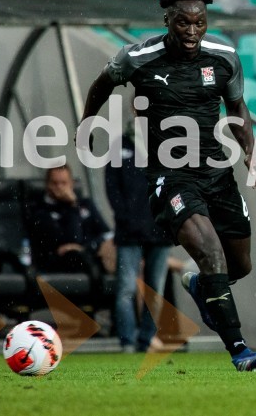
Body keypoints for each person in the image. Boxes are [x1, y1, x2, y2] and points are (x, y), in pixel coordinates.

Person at [77, 0, 256, 371]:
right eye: (183, 23)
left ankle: (200, 286)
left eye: (199, 23)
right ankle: (239, 350)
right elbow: (102, 84)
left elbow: (236, 106)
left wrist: (252, 152)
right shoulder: (138, 57)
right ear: (168, 19)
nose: (192, 31)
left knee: (240, 265)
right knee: (211, 253)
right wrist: (87, 123)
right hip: (171, 177)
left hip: (217, 173)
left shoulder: (225, 57)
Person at [106, 132, 173, 354]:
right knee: (126, 288)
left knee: (155, 290)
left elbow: (176, 182)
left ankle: (146, 340)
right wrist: (125, 217)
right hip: (129, 232)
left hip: (160, 229)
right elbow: (112, 186)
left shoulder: (167, 142)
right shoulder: (121, 145)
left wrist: (168, 216)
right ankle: (127, 341)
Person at [27, 165, 114, 283]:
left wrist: (85, 248)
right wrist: (72, 206)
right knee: (73, 255)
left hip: (92, 255)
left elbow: (107, 234)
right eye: (55, 183)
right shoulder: (39, 210)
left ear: (72, 183)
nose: (59, 187)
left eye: (64, 183)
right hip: (60, 262)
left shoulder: (86, 204)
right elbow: (72, 239)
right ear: (47, 184)